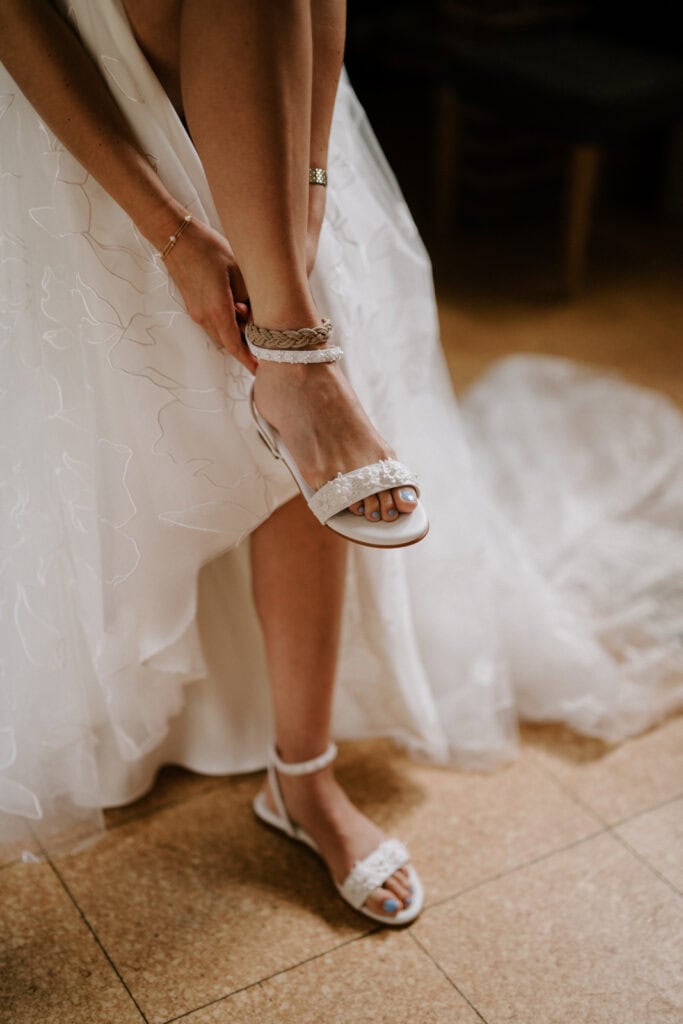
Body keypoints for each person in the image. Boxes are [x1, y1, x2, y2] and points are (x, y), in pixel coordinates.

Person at [1, 0, 682, 925]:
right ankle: (298, 364)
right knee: (122, 422)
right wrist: (167, 229)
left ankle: (302, 779)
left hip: (273, 113)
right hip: (78, 118)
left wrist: (310, 178)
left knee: (301, 448)